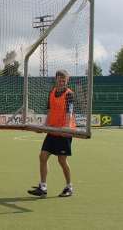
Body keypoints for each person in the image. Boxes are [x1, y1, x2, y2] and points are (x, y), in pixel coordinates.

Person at [27, 69, 76, 198]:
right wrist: (44, 126)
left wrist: (66, 127)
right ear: (56, 80)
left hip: (64, 132)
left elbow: (69, 113)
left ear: (67, 81)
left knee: (62, 160)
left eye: (63, 80)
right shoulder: (52, 92)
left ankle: (69, 187)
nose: (61, 82)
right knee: (42, 156)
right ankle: (43, 187)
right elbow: (50, 112)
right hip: (52, 130)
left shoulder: (69, 94)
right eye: (59, 80)